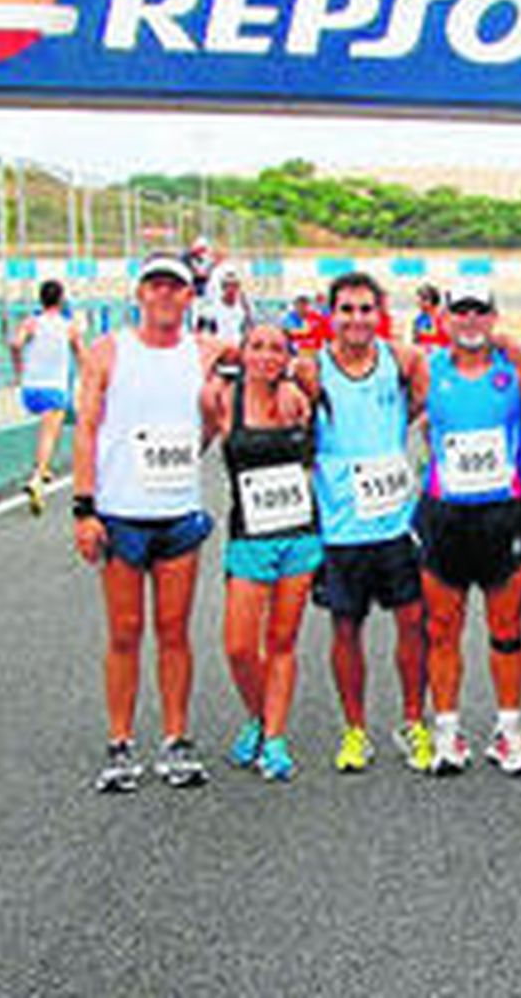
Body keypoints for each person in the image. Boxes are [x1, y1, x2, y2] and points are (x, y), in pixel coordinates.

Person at [72, 252, 229, 794]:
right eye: (155, 286)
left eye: (176, 288)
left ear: (190, 297)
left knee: (174, 632)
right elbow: (87, 429)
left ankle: (176, 740)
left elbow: (266, 359)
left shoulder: (205, 352)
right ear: (140, 293)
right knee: (124, 632)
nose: (165, 295)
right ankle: (119, 744)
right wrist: (84, 508)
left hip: (179, 514)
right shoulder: (107, 352)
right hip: (120, 516)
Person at [295, 272, 435, 775]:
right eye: (347, 310)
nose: (357, 319)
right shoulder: (312, 371)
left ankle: (413, 722)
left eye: (365, 310)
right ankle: (355, 731)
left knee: (413, 625)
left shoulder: (401, 362)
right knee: (346, 629)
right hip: (340, 527)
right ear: (332, 315)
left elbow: (421, 398)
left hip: (396, 526)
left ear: (380, 315)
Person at [419, 279, 521, 776]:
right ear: (446, 318)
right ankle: (447, 732)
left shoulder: (515, 371)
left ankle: (508, 732)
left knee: (506, 630)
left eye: (479, 312)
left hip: (502, 514)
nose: (470, 321)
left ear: (494, 317)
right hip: (445, 516)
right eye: (461, 311)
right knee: (443, 629)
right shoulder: (427, 370)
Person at [204, 322, 320, 782]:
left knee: (282, 642)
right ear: (243, 351)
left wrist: (295, 378)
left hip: (298, 533)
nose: (267, 356)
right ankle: (258, 715)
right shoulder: (219, 399)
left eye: (276, 349)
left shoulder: (297, 400)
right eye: (257, 347)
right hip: (249, 537)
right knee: (237, 645)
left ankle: (273, 737)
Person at [9, 278, 86, 515]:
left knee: (47, 425)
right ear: (61, 300)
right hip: (55, 387)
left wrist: (19, 368)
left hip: (30, 387)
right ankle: (38, 476)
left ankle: (44, 471)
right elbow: (82, 357)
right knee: (49, 435)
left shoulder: (31, 323)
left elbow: (15, 343)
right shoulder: (69, 326)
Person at [195, 266, 253, 347]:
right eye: (228, 285)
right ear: (223, 287)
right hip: (219, 348)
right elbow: (199, 326)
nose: (232, 289)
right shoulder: (213, 306)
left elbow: (248, 325)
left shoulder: (243, 305)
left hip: (237, 348)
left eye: (235, 285)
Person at [411, 283, 449, 349]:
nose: (419, 304)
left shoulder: (445, 316)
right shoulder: (420, 319)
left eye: (424, 300)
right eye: (418, 302)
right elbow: (417, 342)